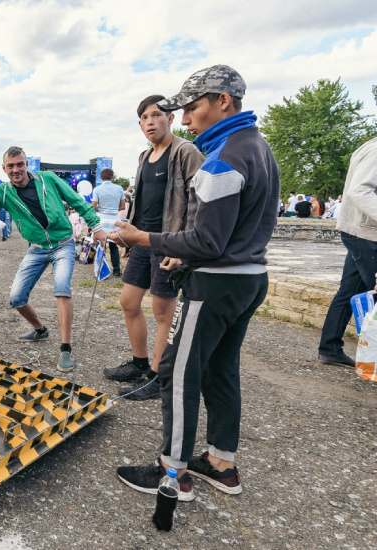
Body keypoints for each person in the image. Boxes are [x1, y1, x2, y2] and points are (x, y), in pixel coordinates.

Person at [111, 65, 279, 501]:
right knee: (220, 370)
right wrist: (185, 250)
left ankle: (174, 473)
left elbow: (208, 239)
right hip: (249, 277)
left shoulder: (226, 155)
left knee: (178, 371)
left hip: (216, 284)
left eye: (192, 108)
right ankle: (222, 464)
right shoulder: (257, 146)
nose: (185, 120)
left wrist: (143, 238)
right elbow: (234, 229)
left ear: (223, 101)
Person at [0, 137, 105, 372]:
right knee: (16, 298)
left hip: (63, 244)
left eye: (20, 164)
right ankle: (40, 330)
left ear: (27, 164)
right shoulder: (4, 193)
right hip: (36, 248)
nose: (16, 169)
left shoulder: (48, 179)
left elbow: (76, 200)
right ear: (4, 168)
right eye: (11, 166)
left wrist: (95, 226)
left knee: (62, 289)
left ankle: (65, 349)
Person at [102, 94, 203, 401]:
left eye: (156, 115)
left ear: (170, 118)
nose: (150, 122)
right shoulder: (144, 156)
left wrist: (182, 248)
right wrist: (128, 236)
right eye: (145, 117)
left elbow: (199, 202)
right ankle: (140, 363)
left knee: (163, 312)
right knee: (128, 302)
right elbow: (141, 200)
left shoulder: (186, 151)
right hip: (142, 240)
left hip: (168, 242)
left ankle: (159, 378)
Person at [318, 137, 377, 367]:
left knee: (349, 291)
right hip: (367, 234)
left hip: (361, 231)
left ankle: (330, 348)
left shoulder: (369, 146)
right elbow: (359, 191)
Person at [91, 168, 126, 277]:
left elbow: (94, 206)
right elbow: (123, 206)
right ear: (112, 176)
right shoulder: (119, 188)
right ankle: (116, 270)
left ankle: (101, 270)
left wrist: (101, 210)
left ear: (101, 177)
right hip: (114, 220)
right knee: (114, 246)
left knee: (101, 246)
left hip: (101, 219)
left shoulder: (97, 189)